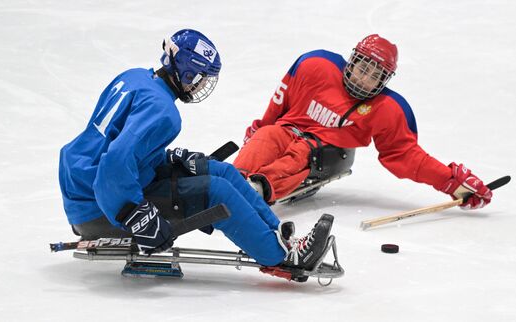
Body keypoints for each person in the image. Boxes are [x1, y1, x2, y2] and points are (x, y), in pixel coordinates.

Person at [58, 29, 333, 275]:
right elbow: (115, 164)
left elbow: (113, 144)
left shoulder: (136, 77)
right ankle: (284, 258)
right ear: (188, 73)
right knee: (216, 192)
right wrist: (135, 215)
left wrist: (163, 158)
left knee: (222, 171)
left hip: (86, 184)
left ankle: (278, 236)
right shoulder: (163, 111)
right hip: (97, 207)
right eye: (202, 78)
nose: (202, 86)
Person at [233, 34, 493, 209]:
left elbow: (406, 156)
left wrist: (450, 181)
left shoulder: (387, 109)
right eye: (362, 67)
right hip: (288, 131)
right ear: (353, 60)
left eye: (375, 75)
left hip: (324, 153)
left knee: (299, 152)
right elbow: (281, 100)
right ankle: (230, 183)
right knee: (267, 136)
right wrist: (261, 127)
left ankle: (257, 189)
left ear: (384, 80)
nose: (364, 78)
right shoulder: (315, 64)